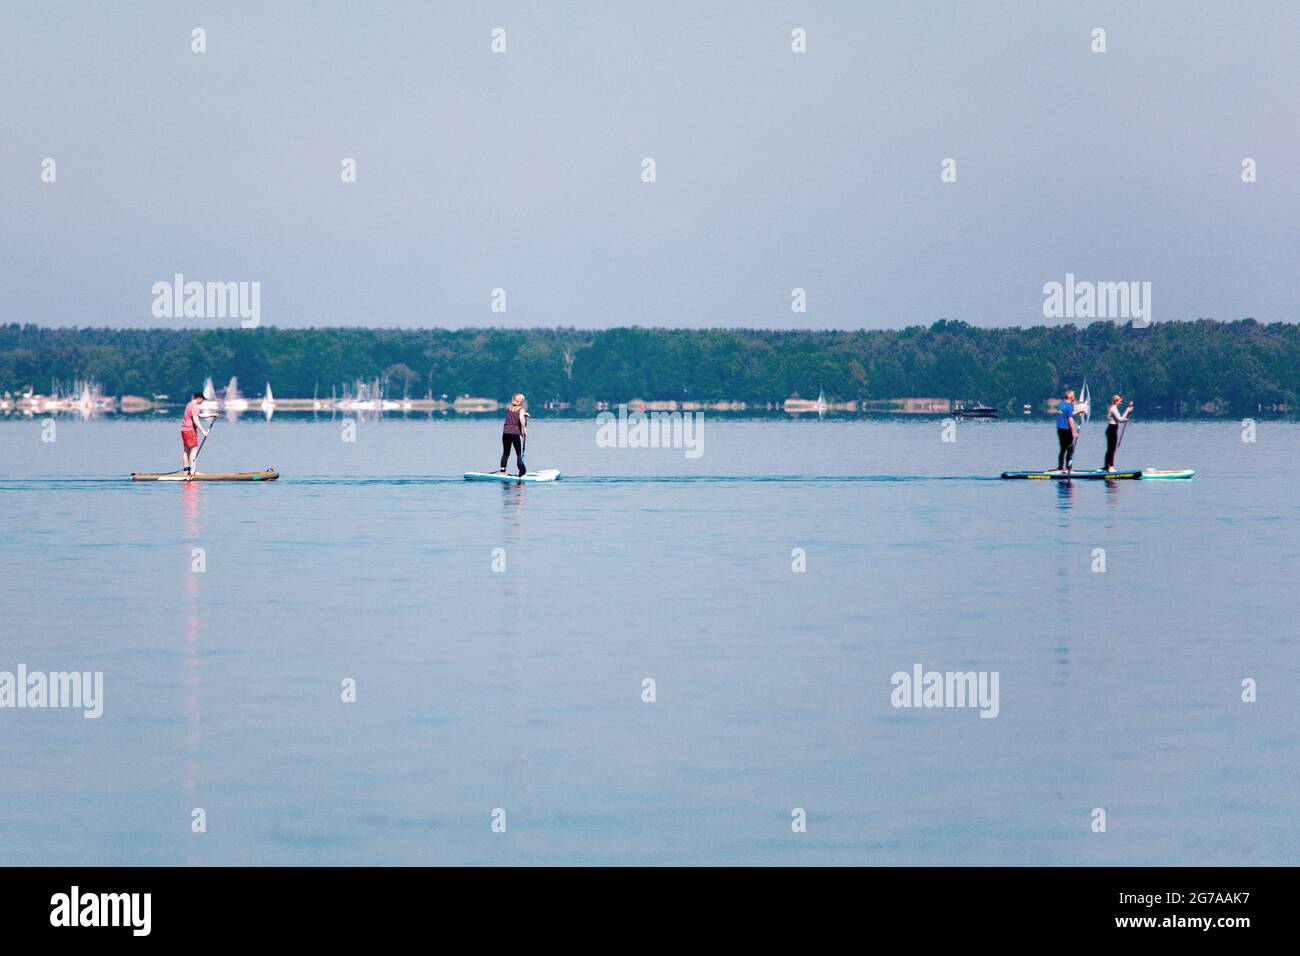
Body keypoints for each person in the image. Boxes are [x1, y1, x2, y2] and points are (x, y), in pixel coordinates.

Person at [180, 391, 214, 477]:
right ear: (199, 398)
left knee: (186, 450)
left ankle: (186, 472)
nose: (202, 401)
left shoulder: (189, 404)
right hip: (190, 431)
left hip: (184, 430)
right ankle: (193, 472)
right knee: (194, 450)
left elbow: (198, 415)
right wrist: (203, 431)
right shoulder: (195, 407)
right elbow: (196, 420)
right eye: (202, 399)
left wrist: (212, 415)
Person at [499, 393, 528, 476]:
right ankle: (521, 471)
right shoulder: (521, 410)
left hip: (505, 432)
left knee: (505, 453)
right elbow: (521, 419)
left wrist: (524, 414)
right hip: (515, 433)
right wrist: (524, 430)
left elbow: (513, 414)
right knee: (519, 453)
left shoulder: (508, 408)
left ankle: (502, 472)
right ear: (521, 401)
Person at [1054, 388, 1082, 472]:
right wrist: (1074, 433)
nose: (1074, 397)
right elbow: (1070, 420)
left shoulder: (1060, 405)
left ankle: (1060, 467)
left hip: (1059, 429)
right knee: (1070, 448)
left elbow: (1066, 415)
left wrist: (1078, 412)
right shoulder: (1070, 406)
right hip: (1066, 430)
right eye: (1073, 395)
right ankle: (1069, 468)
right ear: (1071, 397)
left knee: (1063, 448)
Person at [1103, 395, 1134, 471]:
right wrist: (1127, 410)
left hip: (1111, 429)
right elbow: (1120, 419)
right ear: (1116, 401)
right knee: (1112, 449)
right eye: (1120, 401)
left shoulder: (1113, 408)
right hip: (1112, 430)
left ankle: (1107, 466)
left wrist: (1125, 419)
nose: (1121, 402)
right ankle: (1111, 467)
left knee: (1110, 449)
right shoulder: (1113, 409)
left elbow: (1118, 419)